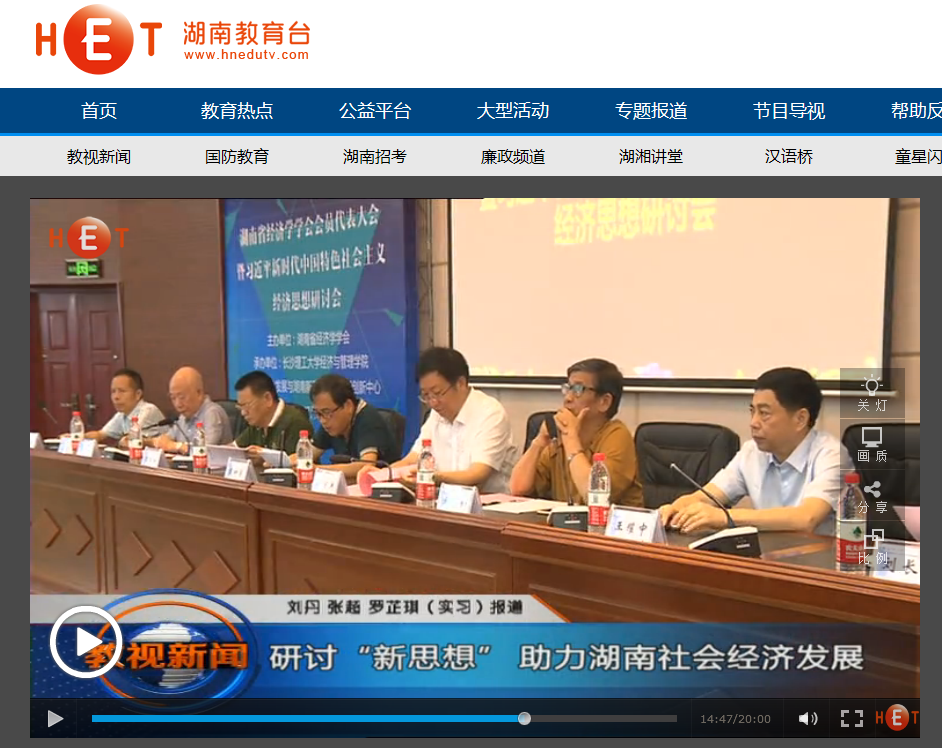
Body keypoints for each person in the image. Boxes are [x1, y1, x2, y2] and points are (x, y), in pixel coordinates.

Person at [659, 367, 852, 536]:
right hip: (766, 557)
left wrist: (726, 518)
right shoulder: (751, 452)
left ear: (800, 419)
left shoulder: (831, 455)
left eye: (764, 413)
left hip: (818, 561)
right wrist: (675, 509)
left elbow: (806, 518)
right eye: (752, 411)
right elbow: (706, 497)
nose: (753, 423)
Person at [369, 347, 516, 494]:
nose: (432, 403)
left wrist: (431, 477)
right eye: (426, 395)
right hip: (442, 500)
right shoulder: (436, 414)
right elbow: (412, 459)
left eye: (437, 393)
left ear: (460, 383)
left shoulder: (490, 414)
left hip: (490, 503)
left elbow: (477, 474)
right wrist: (381, 474)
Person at [510, 358, 643, 507]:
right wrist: (539, 441)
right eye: (568, 388)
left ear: (604, 402)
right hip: (569, 520)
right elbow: (518, 489)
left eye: (578, 389)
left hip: (611, 521)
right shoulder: (558, 439)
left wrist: (571, 438)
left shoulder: (617, 435)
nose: (567, 398)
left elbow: (595, 496)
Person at [292, 373, 399, 482]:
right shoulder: (331, 421)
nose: (323, 420)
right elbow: (306, 456)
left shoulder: (368, 419)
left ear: (348, 405)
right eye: (318, 413)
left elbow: (365, 466)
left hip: (381, 488)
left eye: (326, 412)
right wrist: (289, 463)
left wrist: (318, 469)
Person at [66, 369, 166, 447]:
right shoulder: (122, 414)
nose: (116, 397)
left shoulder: (148, 410)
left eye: (121, 391)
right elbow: (100, 434)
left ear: (138, 394)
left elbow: (133, 439)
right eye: (113, 391)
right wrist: (76, 437)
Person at [151, 366, 233, 453]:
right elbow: (168, 438)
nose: (178, 404)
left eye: (182, 397)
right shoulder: (183, 416)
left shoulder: (212, 413)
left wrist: (177, 446)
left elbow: (204, 451)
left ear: (199, 393)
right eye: (173, 398)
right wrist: (163, 441)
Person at [233, 370, 313, 457]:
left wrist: (264, 458)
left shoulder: (296, 422)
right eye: (240, 406)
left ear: (268, 398)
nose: (243, 413)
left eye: (247, 405)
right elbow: (233, 449)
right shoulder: (257, 423)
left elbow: (296, 462)